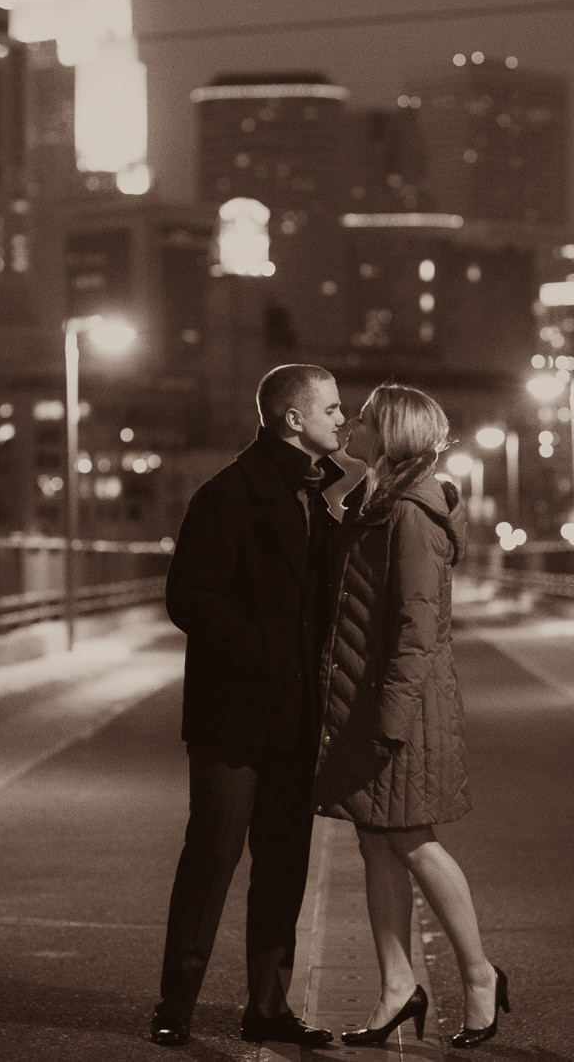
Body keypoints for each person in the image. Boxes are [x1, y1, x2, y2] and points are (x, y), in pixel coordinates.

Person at [150, 364, 346, 1049]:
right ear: (293, 418)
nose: (342, 420)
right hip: (234, 715)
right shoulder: (228, 495)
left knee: (283, 866)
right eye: (331, 409)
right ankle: (176, 1002)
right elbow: (190, 596)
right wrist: (265, 651)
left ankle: (268, 1004)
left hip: (295, 716)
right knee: (211, 859)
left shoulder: (322, 497)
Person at [314, 382, 510, 1050]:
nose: (352, 424)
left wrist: (391, 720)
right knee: (376, 839)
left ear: (391, 433)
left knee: (412, 840)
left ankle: (479, 976)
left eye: (363, 419)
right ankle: (398, 986)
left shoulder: (411, 514)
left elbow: (417, 627)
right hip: (372, 700)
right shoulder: (377, 502)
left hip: (401, 705)